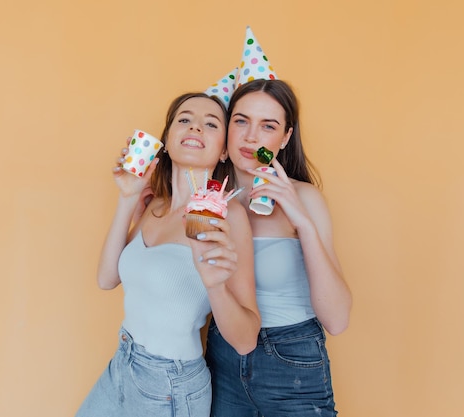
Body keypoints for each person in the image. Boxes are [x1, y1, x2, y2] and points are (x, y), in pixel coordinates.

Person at [76, 92, 261, 417]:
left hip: (170, 385)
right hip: (123, 363)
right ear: (167, 140)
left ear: (222, 152)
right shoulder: (155, 206)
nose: (195, 128)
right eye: (185, 119)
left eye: (211, 124)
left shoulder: (227, 215)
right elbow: (107, 279)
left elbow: (246, 340)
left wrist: (215, 285)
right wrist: (128, 198)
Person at [205, 79, 352, 417]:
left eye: (268, 126)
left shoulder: (305, 199)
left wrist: (301, 221)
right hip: (222, 356)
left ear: (285, 137)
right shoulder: (204, 199)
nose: (251, 136)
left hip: (293, 361)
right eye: (241, 121)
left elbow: (338, 319)